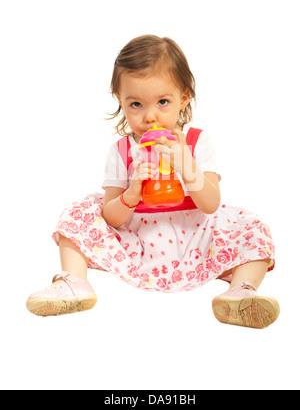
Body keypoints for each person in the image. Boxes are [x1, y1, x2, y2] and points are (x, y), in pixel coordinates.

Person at [26, 35, 280, 328]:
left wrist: (187, 166)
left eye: (162, 102)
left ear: (183, 97)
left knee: (252, 225)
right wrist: (130, 195)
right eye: (135, 104)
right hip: (138, 242)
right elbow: (111, 218)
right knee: (79, 212)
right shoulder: (121, 151)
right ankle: (74, 283)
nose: (149, 116)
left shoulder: (197, 142)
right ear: (120, 101)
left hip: (196, 237)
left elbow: (211, 205)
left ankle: (241, 292)